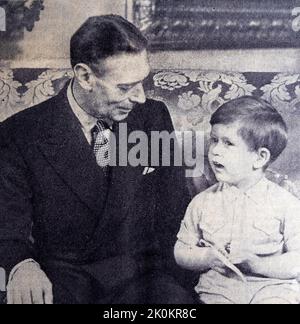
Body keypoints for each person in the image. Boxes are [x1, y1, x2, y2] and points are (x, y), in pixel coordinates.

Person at [0, 15, 195, 304]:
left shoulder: (153, 117)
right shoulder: (19, 133)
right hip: (64, 279)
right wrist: (21, 265)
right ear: (85, 76)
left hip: (142, 278)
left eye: (142, 82)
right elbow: (7, 225)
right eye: (125, 87)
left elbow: (174, 209)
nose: (140, 98)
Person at [175, 96, 300, 304]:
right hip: (219, 291)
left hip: (271, 289)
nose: (215, 151)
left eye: (228, 143)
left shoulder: (285, 202)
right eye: (213, 140)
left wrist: (258, 265)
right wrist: (206, 257)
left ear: (260, 158)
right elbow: (180, 251)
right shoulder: (202, 202)